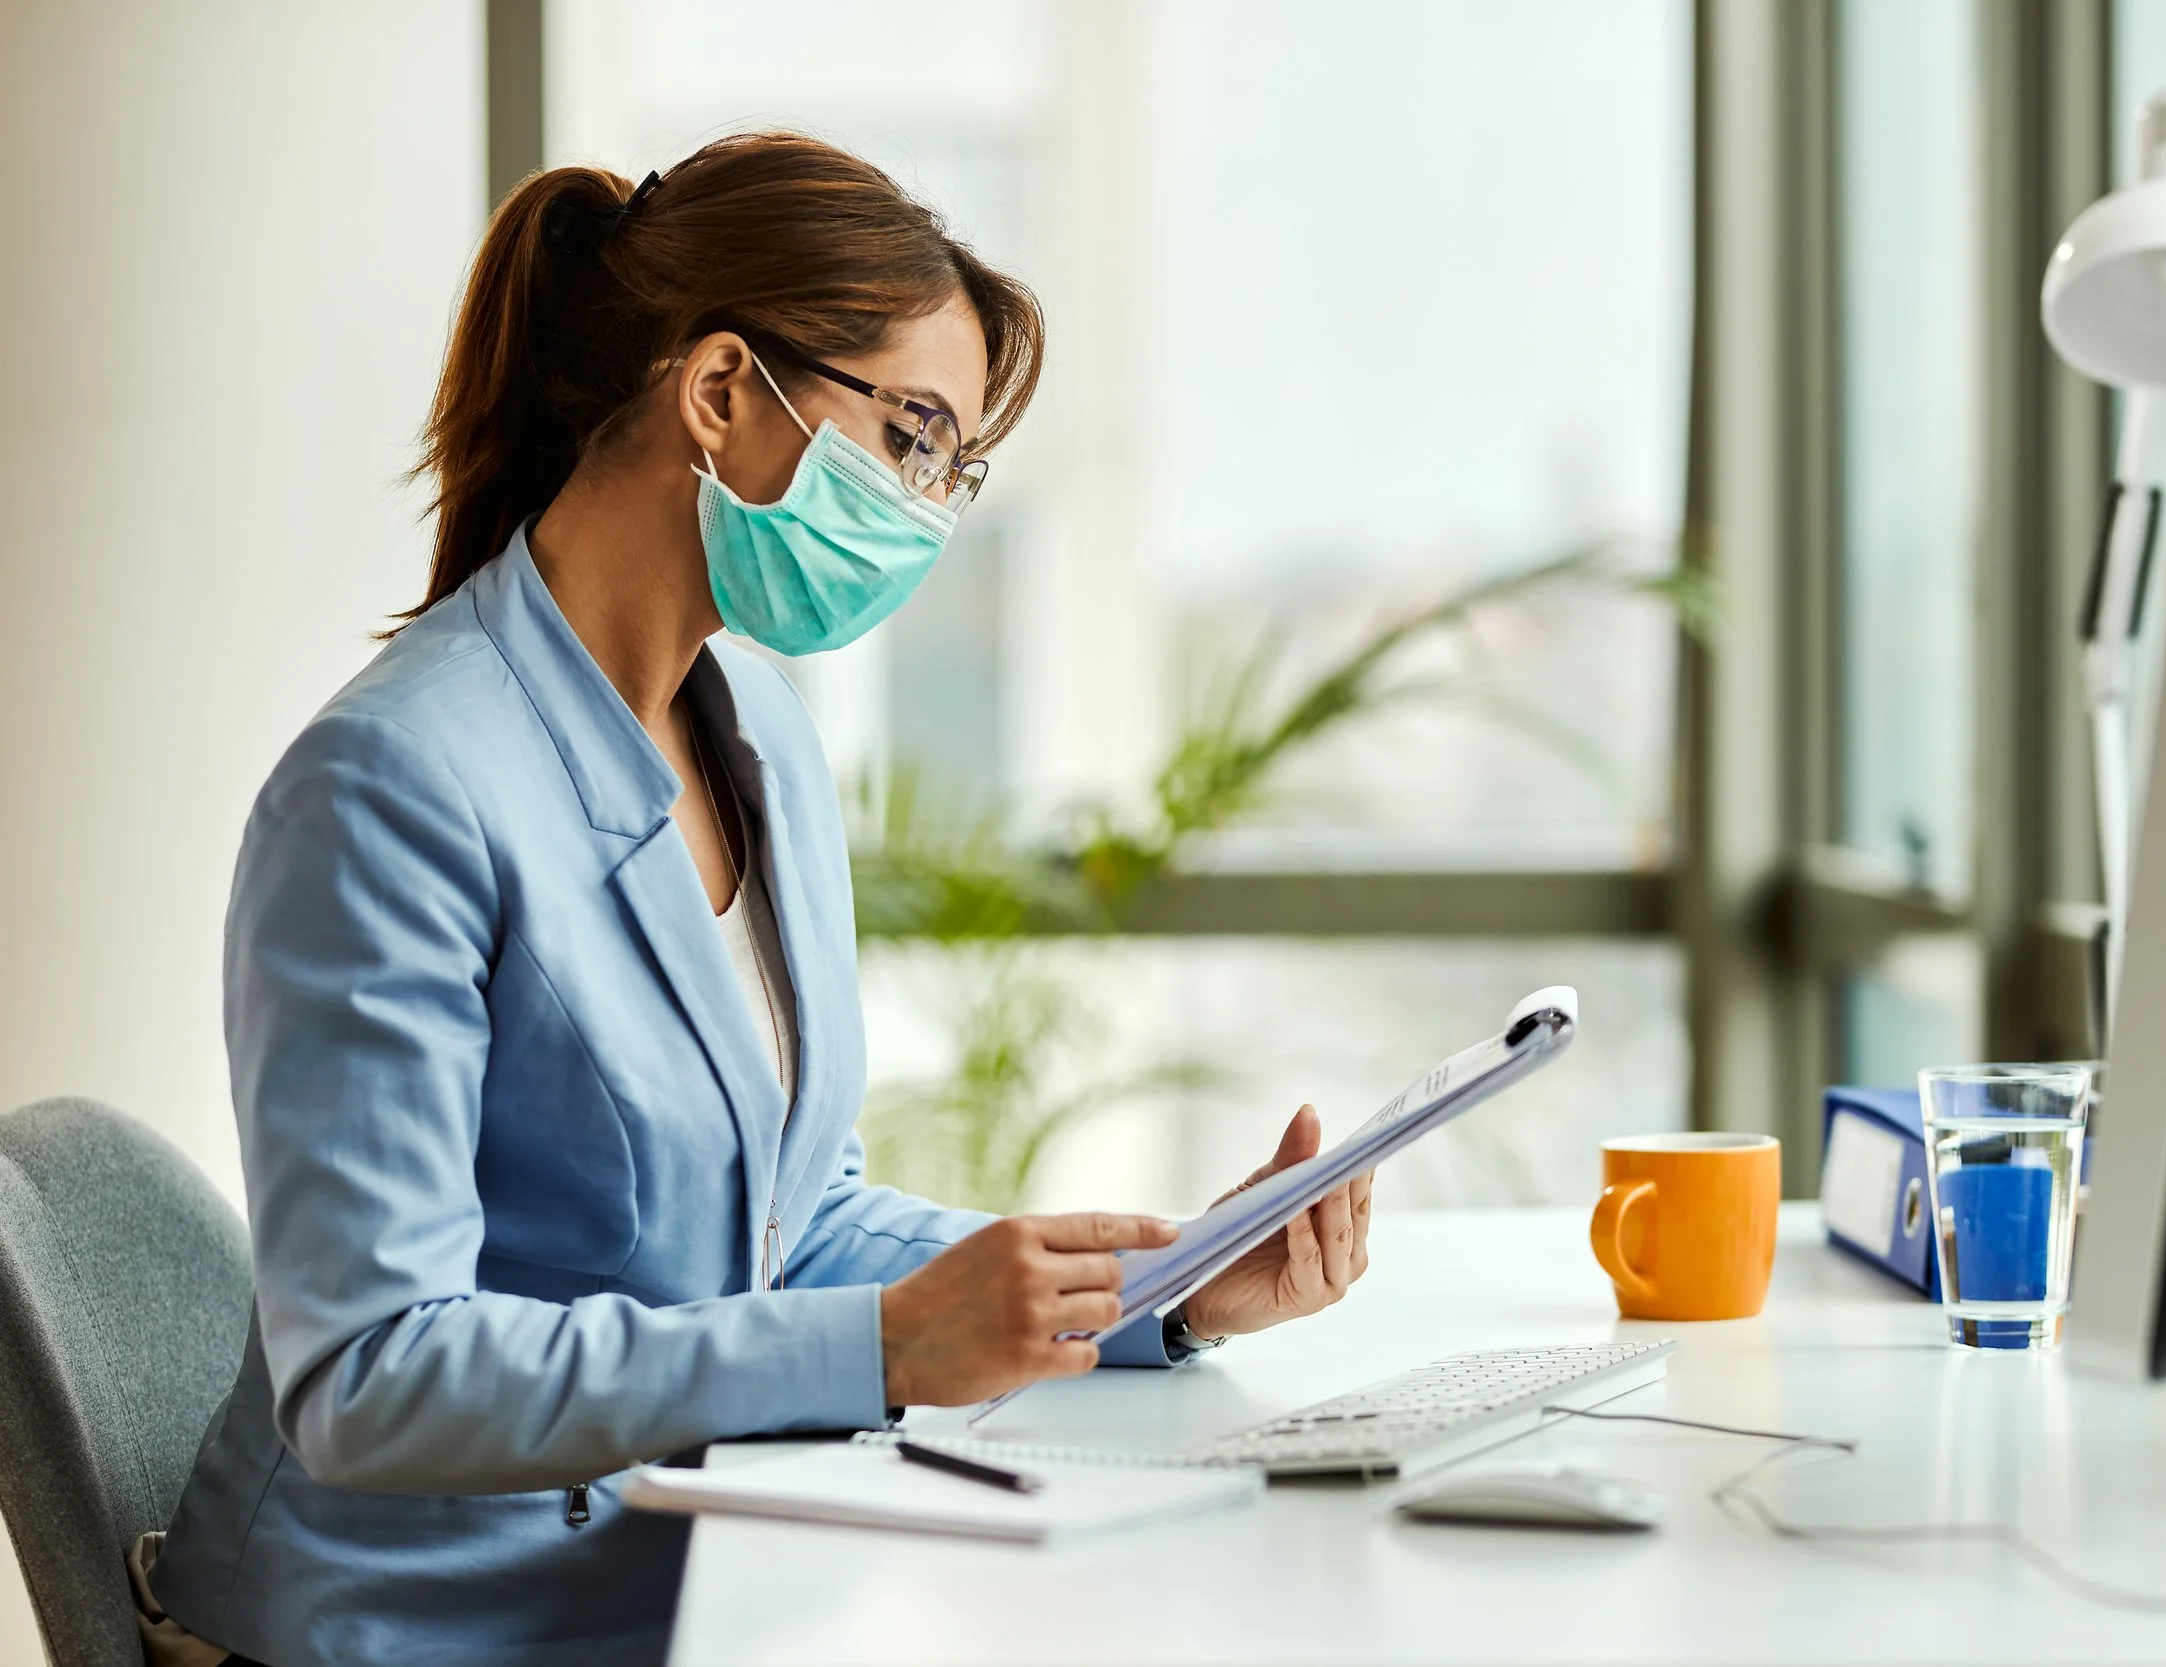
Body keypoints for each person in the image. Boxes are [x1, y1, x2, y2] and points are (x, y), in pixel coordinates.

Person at [145, 133, 1375, 1667]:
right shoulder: (388, 785)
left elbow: (792, 1217)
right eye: (911, 435)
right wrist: (877, 1348)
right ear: (721, 391)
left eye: (956, 467)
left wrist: (1164, 1287)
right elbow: (375, 1372)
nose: (928, 506)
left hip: (690, 1576)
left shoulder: (765, 740)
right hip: (410, 1632)